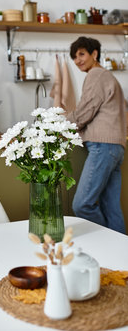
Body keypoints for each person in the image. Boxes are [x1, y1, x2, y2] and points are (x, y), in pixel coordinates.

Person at [67, 36, 126, 234]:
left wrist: (60, 124)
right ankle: (121, 257)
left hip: (103, 146)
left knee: (82, 204)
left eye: (82, 54)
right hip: (115, 147)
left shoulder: (96, 75)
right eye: (74, 57)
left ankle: (105, 240)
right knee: (112, 208)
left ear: (95, 54)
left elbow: (86, 111)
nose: (78, 60)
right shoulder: (109, 77)